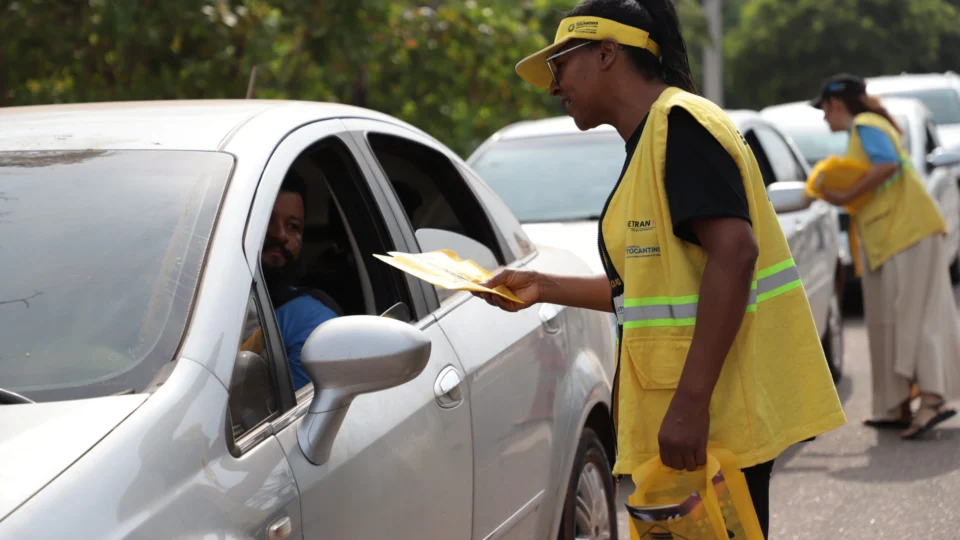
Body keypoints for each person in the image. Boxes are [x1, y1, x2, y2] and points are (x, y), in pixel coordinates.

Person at [475, 1, 846, 535]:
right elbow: (651, 291)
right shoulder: (654, 137)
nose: (554, 87)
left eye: (561, 65)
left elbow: (735, 253)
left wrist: (690, 404)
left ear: (607, 53)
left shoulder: (680, 126)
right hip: (695, 429)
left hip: (710, 425)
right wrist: (544, 286)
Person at [811, 73, 960, 439]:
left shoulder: (866, 124)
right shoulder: (865, 128)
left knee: (915, 317)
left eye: (824, 109)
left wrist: (845, 196)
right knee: (889, 321)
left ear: (836, 104)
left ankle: (932, 400)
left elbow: (887, 164)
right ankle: (894, 405)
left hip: (908, 232)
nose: (824, 117)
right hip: (892, 236)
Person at [261, 173, 339, 390]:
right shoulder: (191, 300)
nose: (280, 235)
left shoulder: (312, 322)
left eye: (293, 226)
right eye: (267, 220)